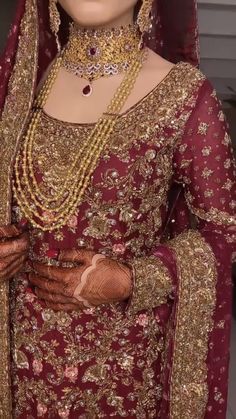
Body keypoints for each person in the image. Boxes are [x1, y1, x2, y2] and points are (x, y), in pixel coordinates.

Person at [0, 0, 235, 417]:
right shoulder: (22, 85)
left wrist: (133, 279)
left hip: (123, 371)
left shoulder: (183, 94)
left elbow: (224, 233)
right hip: (22, 365)